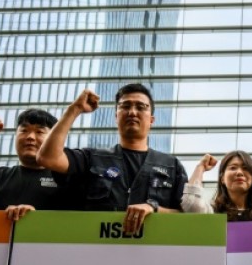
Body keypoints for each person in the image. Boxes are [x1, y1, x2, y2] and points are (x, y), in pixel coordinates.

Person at [36, 84, 187, 234]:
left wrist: (154, 208)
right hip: (97, 250)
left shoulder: (172, 166)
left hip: (154, 251)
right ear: (116, 116)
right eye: (125, 106)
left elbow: (188, 215)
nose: (132, 112)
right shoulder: (92, 158)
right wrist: (74, 109)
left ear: (152, 120)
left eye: (141, 107)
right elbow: (47, 158)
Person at [182, 150, 252, 221]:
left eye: (245, 168)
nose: (239, 172)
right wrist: (201, 167)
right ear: (222, 179)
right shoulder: (212, 212)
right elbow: (191, 203)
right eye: (233, 168)